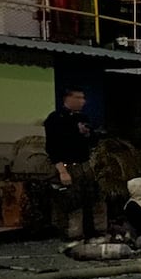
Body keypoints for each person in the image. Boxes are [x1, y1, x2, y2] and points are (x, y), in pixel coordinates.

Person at [43, 86, 101, 239]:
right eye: (79, 98)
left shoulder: (82, 118)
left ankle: (90, 231)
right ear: (68, 98)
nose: (83, 101)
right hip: (68, 165)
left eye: (83, 98)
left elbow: (92, 141)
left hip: (84, 163)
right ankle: (71, 233)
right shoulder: (56, 118)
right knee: (71, 201)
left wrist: (88, 133)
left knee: (89, 199)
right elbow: (52, 147)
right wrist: (62, 170)